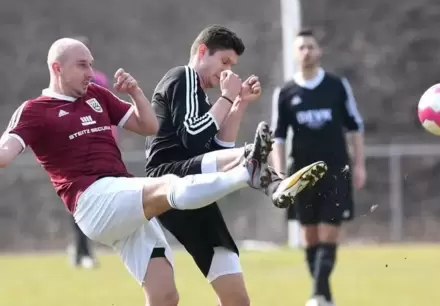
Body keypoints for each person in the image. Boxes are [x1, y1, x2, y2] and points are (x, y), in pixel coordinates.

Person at [0, 37, 319, 306]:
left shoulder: (97, 96)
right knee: (167, 186)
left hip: (122, 199)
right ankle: (246, 173)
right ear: (57, 68)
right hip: (93, 202)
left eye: (90, 64)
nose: (90, 72)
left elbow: (148, 126)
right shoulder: (34, 111)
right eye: (82, 65)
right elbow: (4, 155)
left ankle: (252, 171)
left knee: (166, 296)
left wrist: (135, 92)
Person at [146, 25, 327, 306]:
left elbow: (218, 150)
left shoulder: (203, 98)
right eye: (225, 62)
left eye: (232, 65)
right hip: (168, 180)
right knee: (246, 158)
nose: (227, 70)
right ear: (203, 51)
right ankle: (272, 181)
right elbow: (193, 136)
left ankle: (265, 175)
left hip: (196, 185)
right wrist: (227, 96)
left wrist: (239, 103)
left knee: (237, 299)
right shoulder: (183, 77)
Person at [271, 29, 367, 306]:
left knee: (329, 230)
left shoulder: (337, 86)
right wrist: (279, 176)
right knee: (309, 235)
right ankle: (324, 295)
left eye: (310, 47)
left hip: (336, 170)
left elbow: (355, 127)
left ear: (319, 51)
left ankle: (317, 295)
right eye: (300, 48)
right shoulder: (285, 92)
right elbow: (277, 137)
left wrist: (359, 165)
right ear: (294, 53)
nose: (306, 52)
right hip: (300, 174)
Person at [65, 35, 115, 269]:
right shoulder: (62, 84)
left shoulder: (100, 81)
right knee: (77, 201)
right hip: (73, 151)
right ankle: (82, 250)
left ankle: (85, 250)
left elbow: (109, 113)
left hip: (99, 149)